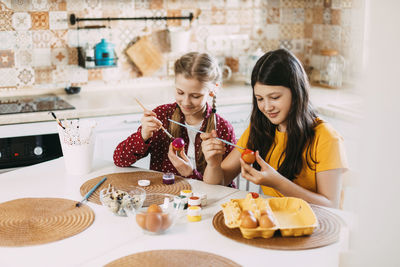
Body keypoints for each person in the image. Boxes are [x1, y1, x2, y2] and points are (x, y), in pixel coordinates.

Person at [200, 49, 348, 208]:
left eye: (275, 97)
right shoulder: (259, 128)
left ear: (297, 92)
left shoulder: (326, 137)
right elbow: (217, 184)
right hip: (275, 222)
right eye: (260, 99)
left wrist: (278, 183)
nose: (267, 107)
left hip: (315, 226)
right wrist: (214, 164)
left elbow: (330, 206)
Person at [113, 52, 236, 183]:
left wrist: (190, 173)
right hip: (164, 199)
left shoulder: (223, 129)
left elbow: (223, 187)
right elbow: (119, 160)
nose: (186, 102)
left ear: (213, 90)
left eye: (195, 96)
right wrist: (143, 135)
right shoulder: (161, 116)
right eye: (180, 92)